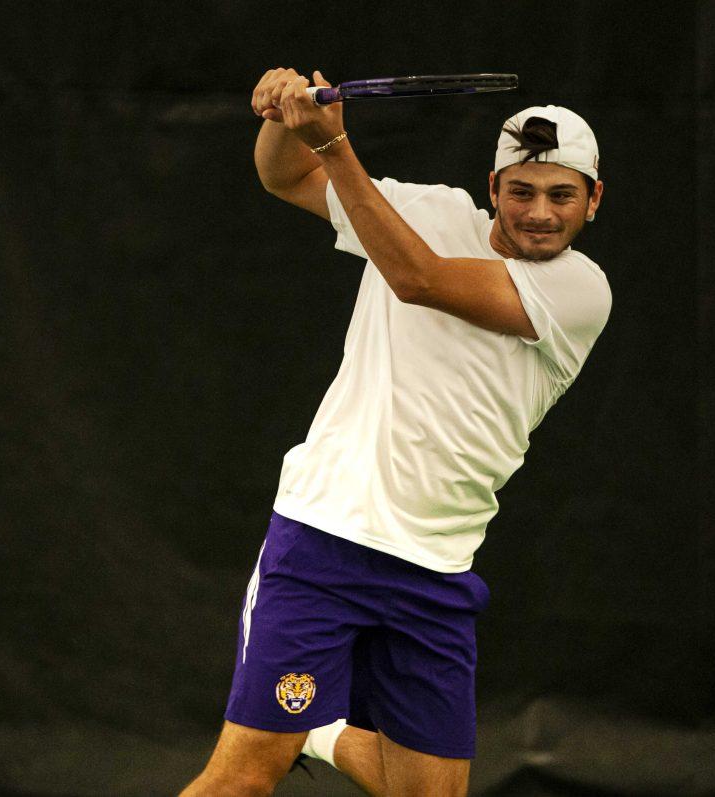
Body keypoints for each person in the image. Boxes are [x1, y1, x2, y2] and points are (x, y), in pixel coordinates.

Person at [180, 68, 610, 797]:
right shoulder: (427, 209)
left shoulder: (581, 290)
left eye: (561, 194)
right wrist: (288, 114)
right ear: (493, 187)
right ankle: (303, 733)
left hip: (436, 571)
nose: (541, 212)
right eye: (522, 191)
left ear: (593, 201)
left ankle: (317, 734)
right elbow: (285, 177)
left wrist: (338, 143)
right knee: (242, 777)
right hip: (325, 536)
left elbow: (419, 278)